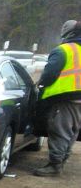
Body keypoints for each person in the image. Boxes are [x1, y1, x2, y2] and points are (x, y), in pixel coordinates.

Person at [33, 20, 81, 176]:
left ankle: (55, 166)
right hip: (78, 99)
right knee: (72, 131)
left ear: (67, 34)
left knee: (59, 131)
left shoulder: (64, 50)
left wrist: (40, 85)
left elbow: (49, 74)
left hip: (64, 97)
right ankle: (61, 161)